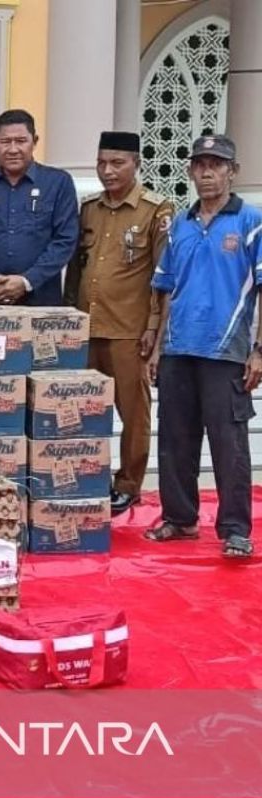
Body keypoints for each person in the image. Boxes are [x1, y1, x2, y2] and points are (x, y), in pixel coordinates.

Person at [145, 134, 262, 559]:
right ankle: (180, 518)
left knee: (228, 443)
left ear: (233, 171)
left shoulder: (251, 222)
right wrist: (157, 347)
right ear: (191, 171)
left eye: (217, 164)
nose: (208, 172)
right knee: (175, 439)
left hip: (226, 351)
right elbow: (164, 289)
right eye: (200, 164)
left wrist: (259, 350)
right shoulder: (180, 225)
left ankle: (234, 529)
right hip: (178, 349)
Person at [63, 131, 174, 515]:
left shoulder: (156, 210)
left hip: (129, 331)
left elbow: (164, 278)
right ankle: (87, 476)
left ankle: (128, 483)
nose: (107, 171)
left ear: (136, 163)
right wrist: (67, 318)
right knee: (82, 411)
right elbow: (75, 271)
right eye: (102, 163)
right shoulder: (88, 208)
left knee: (133, 414)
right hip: (86, 329)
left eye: (117, 163)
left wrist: (154, 330)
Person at [0, 109, 79, 307]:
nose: (13, 149)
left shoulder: (58, 183)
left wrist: (27, 281)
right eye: (5, 142)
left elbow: (65, 239)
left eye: (21, 141)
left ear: (35, 141)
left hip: (41, 302)